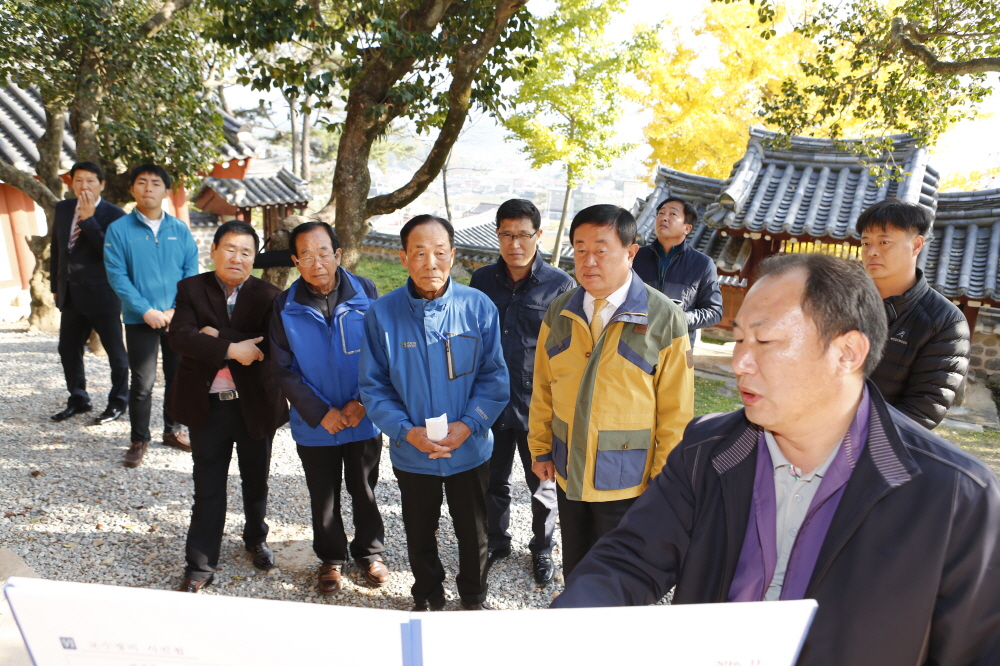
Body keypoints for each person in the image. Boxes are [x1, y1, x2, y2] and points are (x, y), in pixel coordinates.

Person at [551, 253, 1000, 666]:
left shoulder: (955, 496)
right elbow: (629, 561)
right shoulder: (708, 449)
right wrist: (553, 639)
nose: (740, 362)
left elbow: (971, 649)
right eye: (739, 338)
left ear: (847, 353)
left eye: (765, 340)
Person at [528, 204, 693, 577]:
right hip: (569, 468)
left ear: (630, 253)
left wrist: (662, 479)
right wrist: (540, 447)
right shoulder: (560, 311)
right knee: (577, 570)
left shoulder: (664, 317)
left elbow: (676, 411)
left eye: (601, 249)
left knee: (622, 577)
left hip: (628, 480)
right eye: (580, 248)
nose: (589, 260)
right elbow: (543, 386)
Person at [359, 214, 509, 611]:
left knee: (474, 530)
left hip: (469, 447)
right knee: (419, 531)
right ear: (403, 257)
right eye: (420, 253)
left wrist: (469, 425)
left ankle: (474, 597)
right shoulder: (382, 314)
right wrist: (407, 432)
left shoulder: (478, 307)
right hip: (414, 451)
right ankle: (427, 594)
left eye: (440, 253)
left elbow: (494, 377)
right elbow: (374, 386)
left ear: (453, 255)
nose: (431, 263)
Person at [268, 221, 390, 595]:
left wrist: (360, 403)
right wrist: (321, 413)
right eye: (306, 254)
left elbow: (381, 353)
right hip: (315, 422)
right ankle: (331, 557)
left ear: (337, 255)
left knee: (364, 487)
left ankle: (370, 552)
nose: (316, 261)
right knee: (323, 494)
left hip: (362, 416)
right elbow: (282, 368)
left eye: (324, 252)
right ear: (295, 260)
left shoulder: (366, 291)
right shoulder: (284, 305)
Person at [165, 221, 287, 592]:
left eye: (246, 252)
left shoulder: (269, 295)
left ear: (254, 258)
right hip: (209, 407)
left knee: (256, 481)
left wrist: (215, 337)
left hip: (255, 405)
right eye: (230, 249)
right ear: (214, 250)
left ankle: (256, 538)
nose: (237, 258)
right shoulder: (191, 289)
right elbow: (180, 337)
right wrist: (234, 348)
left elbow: (268, 346)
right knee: (208, 486)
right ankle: (200, 564)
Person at [469, 199, 574, 585]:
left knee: (543, 483)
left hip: (538, 406)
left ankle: (543, 548)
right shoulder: (481, 280)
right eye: (507, 235)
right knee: (492, 479)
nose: (515, 244)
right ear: (497, 235)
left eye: (523, 235)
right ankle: (497, 541)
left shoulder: (560, 284)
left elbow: (567, 349)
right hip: (491, 402)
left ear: (538, 236)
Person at [104, 164, 199, 468]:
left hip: (176, 317)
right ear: (132, 189)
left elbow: (190, 271)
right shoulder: (119, 230)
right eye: (141, 182)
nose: (148, 188)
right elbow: (117, 275)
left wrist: (175, 309)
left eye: (155, 183)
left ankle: (172, 431)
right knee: (142, 382)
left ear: (166, 191)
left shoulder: (179, 229)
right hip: (139, 319)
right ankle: (139, 439)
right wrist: (145, 310)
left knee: (178, 377)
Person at [858, 198, 970, 429]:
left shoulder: (944, 321)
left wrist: (851, 439)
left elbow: (924, 408)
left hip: (875, 448)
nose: (872, 252)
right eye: (866, 243)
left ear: (917, 245)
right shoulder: (840, 299)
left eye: (884, 241)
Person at [49, 161, 129, 424]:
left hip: (103, 294)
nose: (84, 186)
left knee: (116, 353)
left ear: (101, 184)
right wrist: (55, 288)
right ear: (71, 183)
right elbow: (58, 249)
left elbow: (111, 253)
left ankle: (118, 403)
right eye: (79, 180)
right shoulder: (62, 208)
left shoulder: (115, 215)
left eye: (90, 181)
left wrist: (89, 219)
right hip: (70, 293)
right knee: (68, 350)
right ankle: (78, 398)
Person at [633, 196, 722, 345]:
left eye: (672, 214)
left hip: (678, 347)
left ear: (687, 228)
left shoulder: (702, 264)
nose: (664, 218)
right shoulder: (635, 257)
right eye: (661, 213)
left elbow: (714, 312)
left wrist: (679, 318)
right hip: (636, 345)